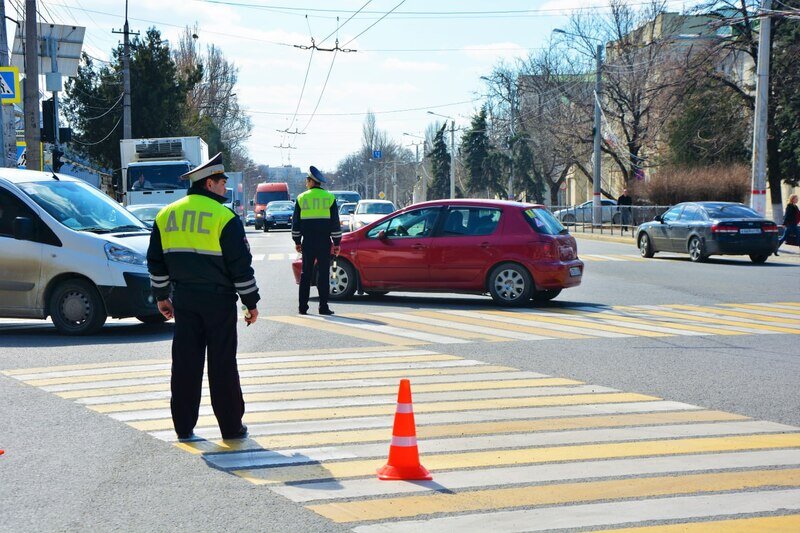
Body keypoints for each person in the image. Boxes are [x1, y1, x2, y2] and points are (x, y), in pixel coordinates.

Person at [146, 153, 259, 441]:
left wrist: (162, 296)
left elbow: (156, 262)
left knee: (185, 364)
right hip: (218, 301)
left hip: (183, 299)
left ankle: (183, 427)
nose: (225, 187)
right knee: (222, 365)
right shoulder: (224, 217)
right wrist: (250, 302)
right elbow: (240, 266)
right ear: (209, 183)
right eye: (222, 182)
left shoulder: (165, 214)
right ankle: (231, 427)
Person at [292, 166, 341, 315]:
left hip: (308, 242)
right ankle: (323, 307)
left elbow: (296, 223)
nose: (306, 183)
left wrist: (297, 242)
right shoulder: (330, 198)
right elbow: (335, 223)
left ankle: (302, 307)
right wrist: (337, 243)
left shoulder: (301, 198)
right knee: (324, 274)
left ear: (311, 181)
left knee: (306, 274)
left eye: (307, 180)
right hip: (324, 242)